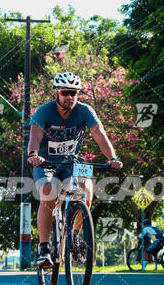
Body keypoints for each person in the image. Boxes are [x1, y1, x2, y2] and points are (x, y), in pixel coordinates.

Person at [27, 72, 123, 267]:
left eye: (74, 93)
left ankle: (74, 238)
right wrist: (33, 155)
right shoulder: (44, 112)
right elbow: (35, 136)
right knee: (48, 192)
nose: (70, 97)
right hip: (45, 162)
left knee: (86, 191)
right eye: (65, 92)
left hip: (72, 161)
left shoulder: (85, 111)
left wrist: (112, 158)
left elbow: (99, 133)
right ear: (57, 93)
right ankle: (44, 248)